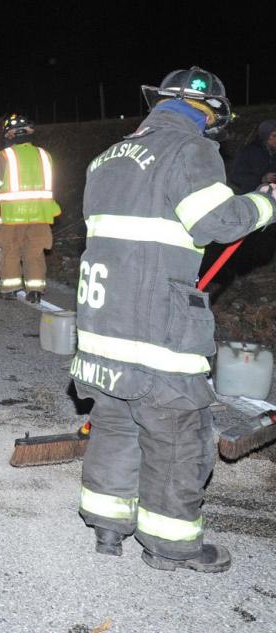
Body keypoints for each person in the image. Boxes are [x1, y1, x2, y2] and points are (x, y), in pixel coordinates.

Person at [70, 66, 276, 573]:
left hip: (101, 326)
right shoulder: (191, 150)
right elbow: (219, 223)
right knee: (180, 435)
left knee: (116, 423)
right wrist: (266, 203)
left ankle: (107, 526)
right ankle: (171, 546)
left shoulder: (105, 159)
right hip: (156, 331)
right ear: (208, 112)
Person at [0, 114, 60, 303]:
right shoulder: (45, 155)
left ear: (9, 135)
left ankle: (10, 288)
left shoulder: (6, 155)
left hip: (12, 215)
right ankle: (35, 290)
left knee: (10, 250)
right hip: (41, 214)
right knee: (34, 252)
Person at [229, 119, 276, 194]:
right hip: (253, 197)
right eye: (274, 135)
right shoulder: (247, 152)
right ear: (265, 136)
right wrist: (262, 179)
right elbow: (236, 177)